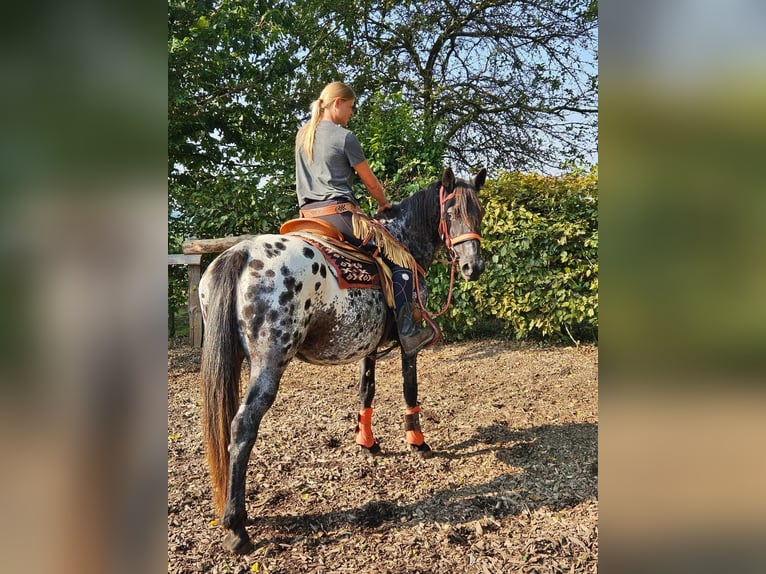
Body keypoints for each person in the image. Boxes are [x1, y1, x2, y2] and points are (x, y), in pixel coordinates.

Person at [295, 81, 433, 356]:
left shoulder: (302, 135)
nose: (351, 114)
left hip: (305, 218)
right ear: (337, 104)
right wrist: (384, 203)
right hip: (339, 216)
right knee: (403, 259)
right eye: (350, 107)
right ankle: (407, 332)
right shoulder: (344, 137)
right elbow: (370, 183)